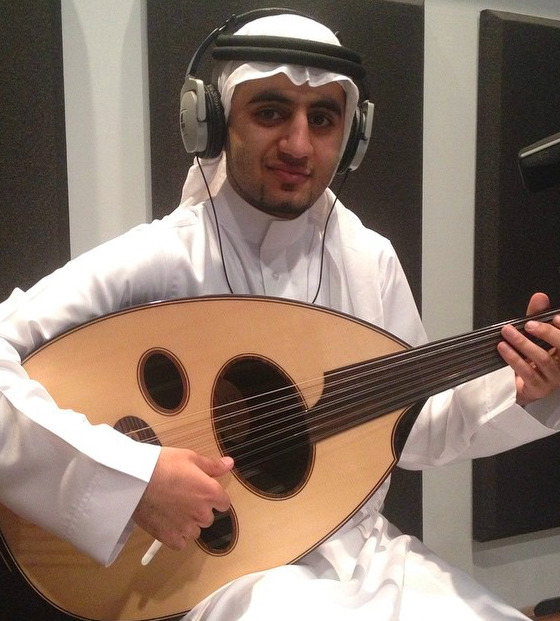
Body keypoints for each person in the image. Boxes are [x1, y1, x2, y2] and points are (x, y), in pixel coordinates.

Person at [1, 9, 560, 621]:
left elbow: (413, 428)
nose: (298, 145)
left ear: (351, 135)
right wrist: (133, 479)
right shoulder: (165, 258)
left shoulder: (368, 259)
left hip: (364, 553)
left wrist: (523, 389)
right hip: (219, 575)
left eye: (322, 119)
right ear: (213, 122)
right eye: (270, 113)